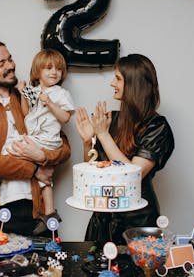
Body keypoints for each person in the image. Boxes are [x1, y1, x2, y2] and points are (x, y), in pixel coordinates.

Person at [0, 40, 71, 237]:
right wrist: (34, 169)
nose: (10, 66)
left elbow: (63, 147)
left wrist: (41, 155)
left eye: (10, 59)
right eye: (1, 64)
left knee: (48, 266)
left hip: (38, 211)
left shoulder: (28, 97)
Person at [74, 53, 175, 245]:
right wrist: (88, 142)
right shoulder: (111, 119)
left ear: (134, 84)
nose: (112, 83)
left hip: (136, 222)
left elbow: (132, 176)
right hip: (102, 220)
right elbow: (95, 169)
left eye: (118, 78)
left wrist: (103, 135)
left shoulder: (157, 127)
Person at [15, 49, 75, 235]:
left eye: (58, 69)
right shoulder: (35, 91)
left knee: (15, 147)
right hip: (37, 137)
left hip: (48, 140)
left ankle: (47, 214)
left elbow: (65, 117)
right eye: (48, 68)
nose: (54, 72)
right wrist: (22, 94)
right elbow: (27, 113)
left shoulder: (60, 94)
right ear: (37, 72)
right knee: (42, 178)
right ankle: (48, 214)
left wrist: (49, 103)